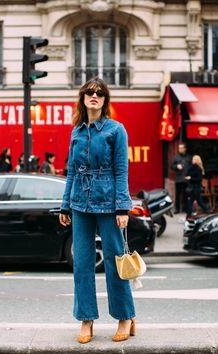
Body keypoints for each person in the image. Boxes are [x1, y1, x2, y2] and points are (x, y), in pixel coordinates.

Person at [59, 77, 136, 344]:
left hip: (108, 202)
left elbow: (121, 171)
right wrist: (65, 204)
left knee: (115, 264)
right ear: (82, 98)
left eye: (100, 93)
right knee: (81, 264)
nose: (94, 96)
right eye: (89, 92)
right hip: (80, 203)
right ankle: (86, 319)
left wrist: (122, 207)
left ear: (105, 100)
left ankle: (125, 317)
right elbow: (70, 172)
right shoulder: (77, 131)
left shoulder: (116, 130)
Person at [171, 142, 191, 213]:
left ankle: (185, 208)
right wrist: (177, 166)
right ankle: (177, 209)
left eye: (182, 148)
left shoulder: (189, 157)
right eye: (179, 148)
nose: (180, 149)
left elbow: (191, 167)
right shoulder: (176, 157)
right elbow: (171, 166)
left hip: (186, 179)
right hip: (179, 179)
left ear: (185, 149)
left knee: (186, 194)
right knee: (178, 194)